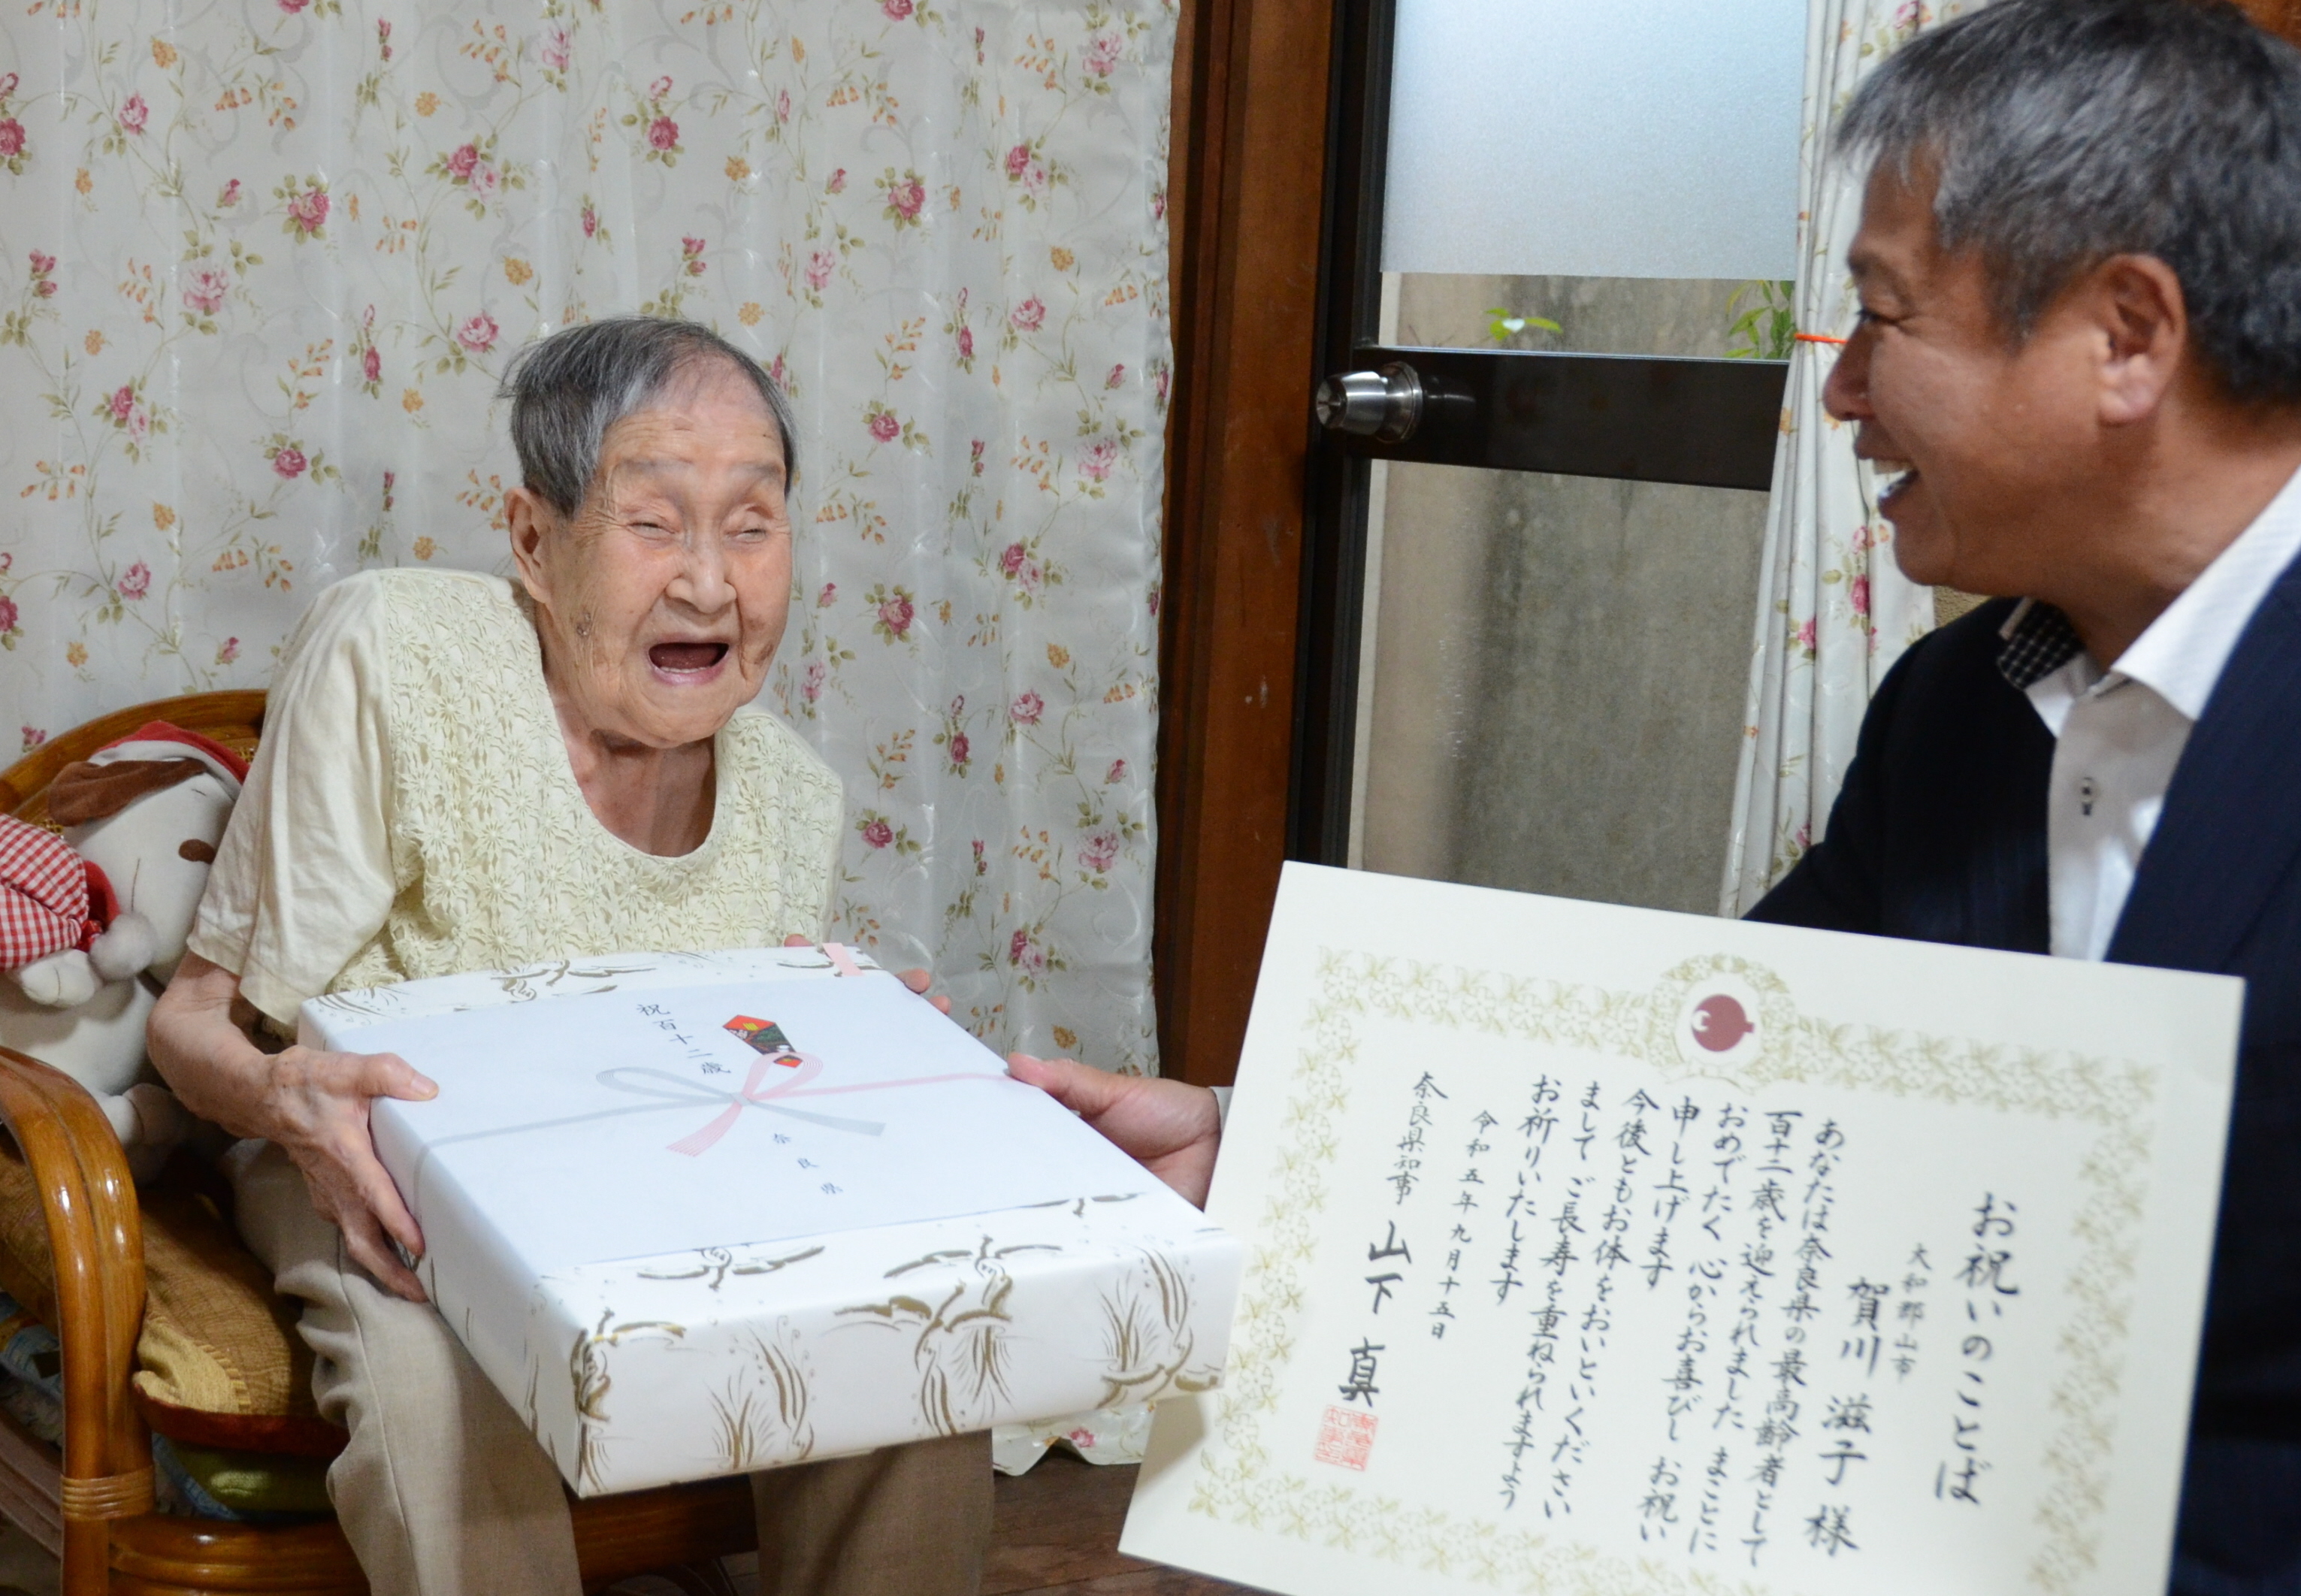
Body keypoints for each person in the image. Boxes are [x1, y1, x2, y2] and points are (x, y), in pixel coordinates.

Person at [1016, 2, 2301, 1589]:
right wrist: (1250, 1139)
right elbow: (1731, 1091)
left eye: (1886, 318)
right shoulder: (1958, 713)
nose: (1841, 395)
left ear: (2125, 337)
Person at [149, 317, 989, 1596]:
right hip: (378, 1176)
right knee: (438, 1382)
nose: (711, 583)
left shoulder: (787, 792)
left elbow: (737, 1084)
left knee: (916, 1351)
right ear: (536, 543)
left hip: (653, 1203)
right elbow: (190, 1029)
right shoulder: (397, 654)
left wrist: (862, 1057)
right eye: (656, 523)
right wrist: (286, 1101)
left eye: (752, 527)